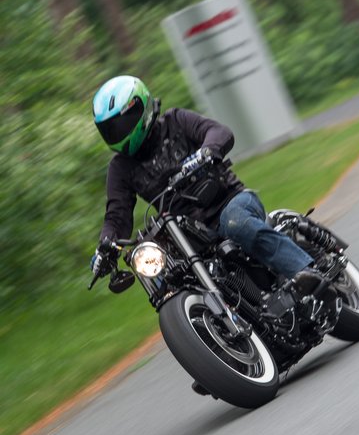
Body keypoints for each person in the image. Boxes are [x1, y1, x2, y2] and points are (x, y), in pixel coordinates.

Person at [91, 75, 317, 287]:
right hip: (186, 236)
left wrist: (206, 152)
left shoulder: (176, 121)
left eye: (121, 124)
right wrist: (105, 247)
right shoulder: (120, 168)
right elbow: (117, 216)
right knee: (159, 271)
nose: (117, 133)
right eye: (110, 130)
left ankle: (306, 274)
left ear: (141, 109)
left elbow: (219, 132)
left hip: (229, 202)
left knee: (234, 221)